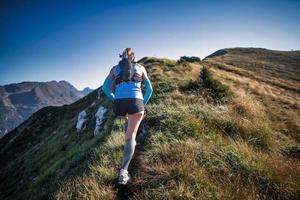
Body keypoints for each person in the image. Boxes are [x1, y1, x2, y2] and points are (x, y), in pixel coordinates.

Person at [102, 48, 153, 185]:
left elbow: (105, 88)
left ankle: (130, 142)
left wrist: (116, 100)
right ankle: (124, 171)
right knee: (131, 136)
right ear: (133, 58)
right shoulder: (141, 68)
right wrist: (142, 104)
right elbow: (150, 89)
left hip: (119, 105)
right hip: (136, 103)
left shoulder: (114, 69)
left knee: (128, 124)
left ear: (122, 58)